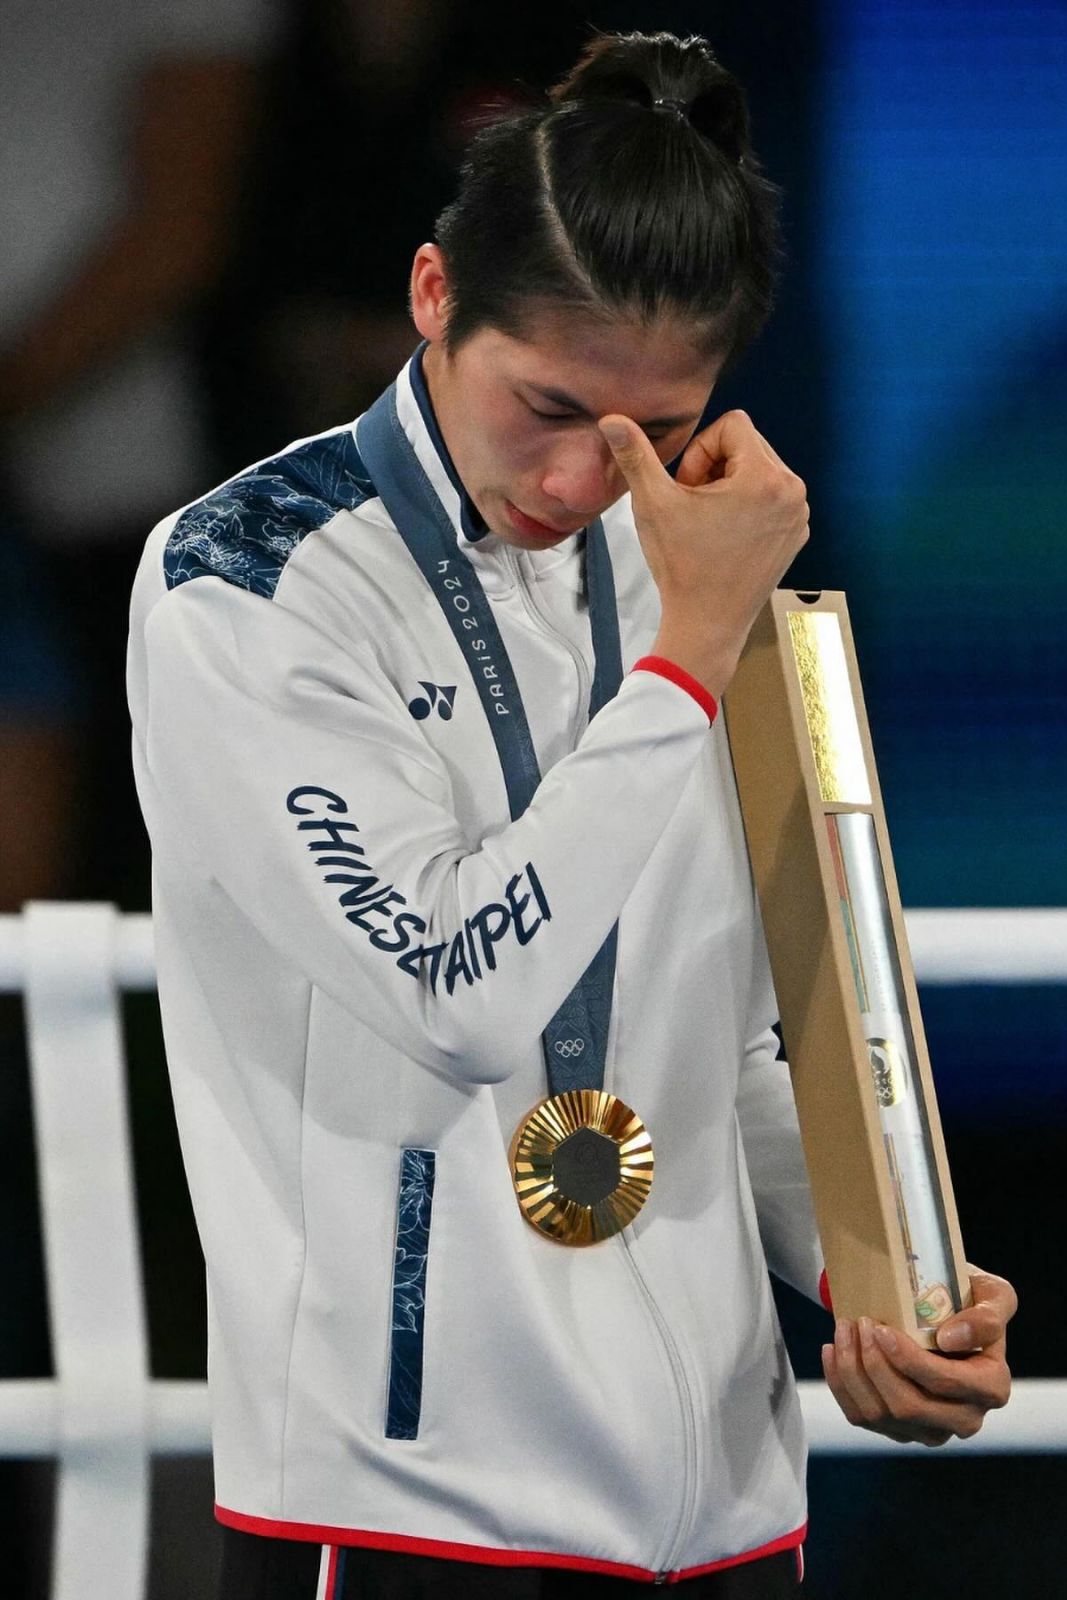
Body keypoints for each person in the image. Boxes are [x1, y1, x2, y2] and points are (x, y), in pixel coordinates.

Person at [127, 30, 1015, 1599]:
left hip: (724, 1511)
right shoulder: (250, 580)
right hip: (409, 1502)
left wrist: (881, 1287)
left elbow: (722, 1042)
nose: (589, 477)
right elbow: (454, 995)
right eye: (546, 403)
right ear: (429, 296)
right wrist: (684, 662)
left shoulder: (690, 559)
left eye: (654, 430)